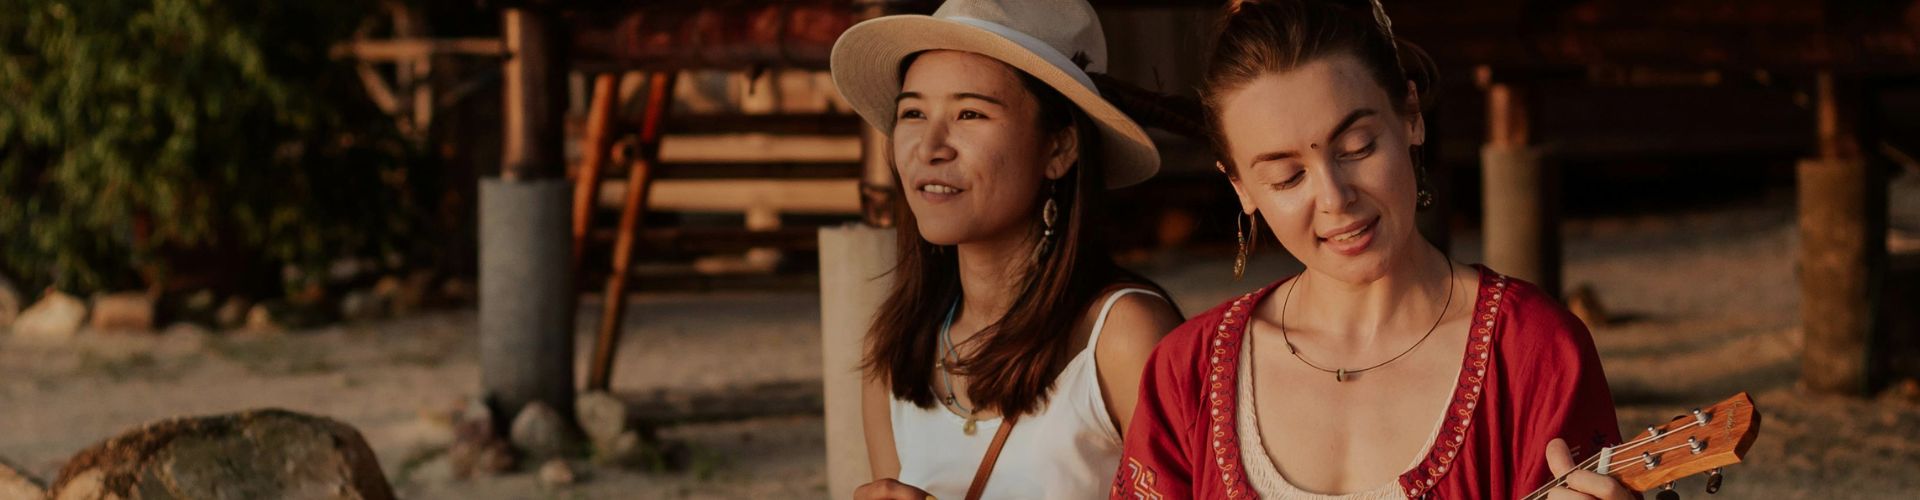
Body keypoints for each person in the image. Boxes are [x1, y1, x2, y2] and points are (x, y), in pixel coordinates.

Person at [1112, 1, 1631, 499]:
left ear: (1410, 117)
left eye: (1358, 147)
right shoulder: (1187, 374)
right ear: (1241, 187)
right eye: (1287, 177)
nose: (1336, 198)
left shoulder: (1533, 352)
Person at [829, 0, 1186, 498]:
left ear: (1059, 148)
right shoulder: (898, 347)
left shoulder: (1121, 338)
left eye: (969, 113)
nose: (930, 146)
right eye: (912, 112)